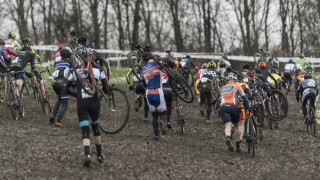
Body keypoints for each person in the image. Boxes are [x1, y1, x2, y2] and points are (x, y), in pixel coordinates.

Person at [66, 42, 109, 166]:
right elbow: (106, 89)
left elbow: (66, 89)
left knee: (85, 130)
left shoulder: (75, 71)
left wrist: (77, 95)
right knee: (95, 128)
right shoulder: (98, 69)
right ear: (91, 57)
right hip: (94, 103)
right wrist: (100, 87)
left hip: (82, 104)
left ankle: (87, 154)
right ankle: (99, 155)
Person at [220, 72, 250, 152]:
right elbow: (245, 99)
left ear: (227, 80)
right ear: (235, 80)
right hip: (234, 107)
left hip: (223, 107)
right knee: (238, 125)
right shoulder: (237, 87)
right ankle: (237, 145)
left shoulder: (222, 88)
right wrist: (248, 107)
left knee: (228, 125)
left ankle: (228, 137)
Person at [141, 51, 167, 140]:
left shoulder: (143, 69)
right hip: (158, 91)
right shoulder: (157, 64)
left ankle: (156, 135)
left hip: (148, 92)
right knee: (163, 113)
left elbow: (143, 82)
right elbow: (168, 64)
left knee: (154, 116)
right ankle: (163, 123)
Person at [49, 49, 72, 127]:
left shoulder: (57, 63)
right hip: (63, 83)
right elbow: (72, 73)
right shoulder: (70, 62)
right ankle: (58, 121)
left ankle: (53, 115)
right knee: (65, 104)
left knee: (59, 100)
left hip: (55, 82)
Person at [161, 58, 175, 129]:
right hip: (169, 90)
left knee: (162, 106)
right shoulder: (172, 70)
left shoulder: (158, 71)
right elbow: (178, 80)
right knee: (169, 105)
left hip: (160, 91)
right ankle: (168, 121)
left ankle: (162, 121)